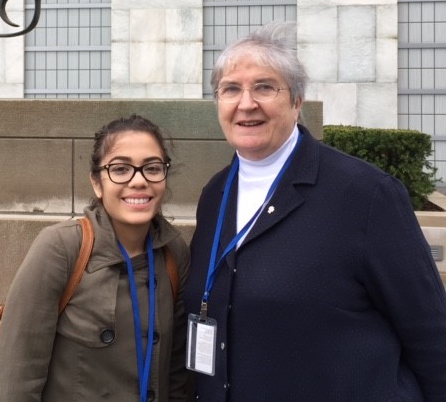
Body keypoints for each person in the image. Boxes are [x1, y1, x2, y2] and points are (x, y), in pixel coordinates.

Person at [184, 22, 446, 401]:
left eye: (264, 87)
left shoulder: (365, 195)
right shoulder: (215, 194)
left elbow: (430, 332)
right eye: (231, 89)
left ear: (297, 100)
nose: (246, 103)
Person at [0, 114, 191, 402]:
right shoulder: (61, 247)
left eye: (152, 168)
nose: (138, 181)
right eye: (120, 169)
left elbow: (177, 378)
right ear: (97, 183)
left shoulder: (173, 253)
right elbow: (14, 382)